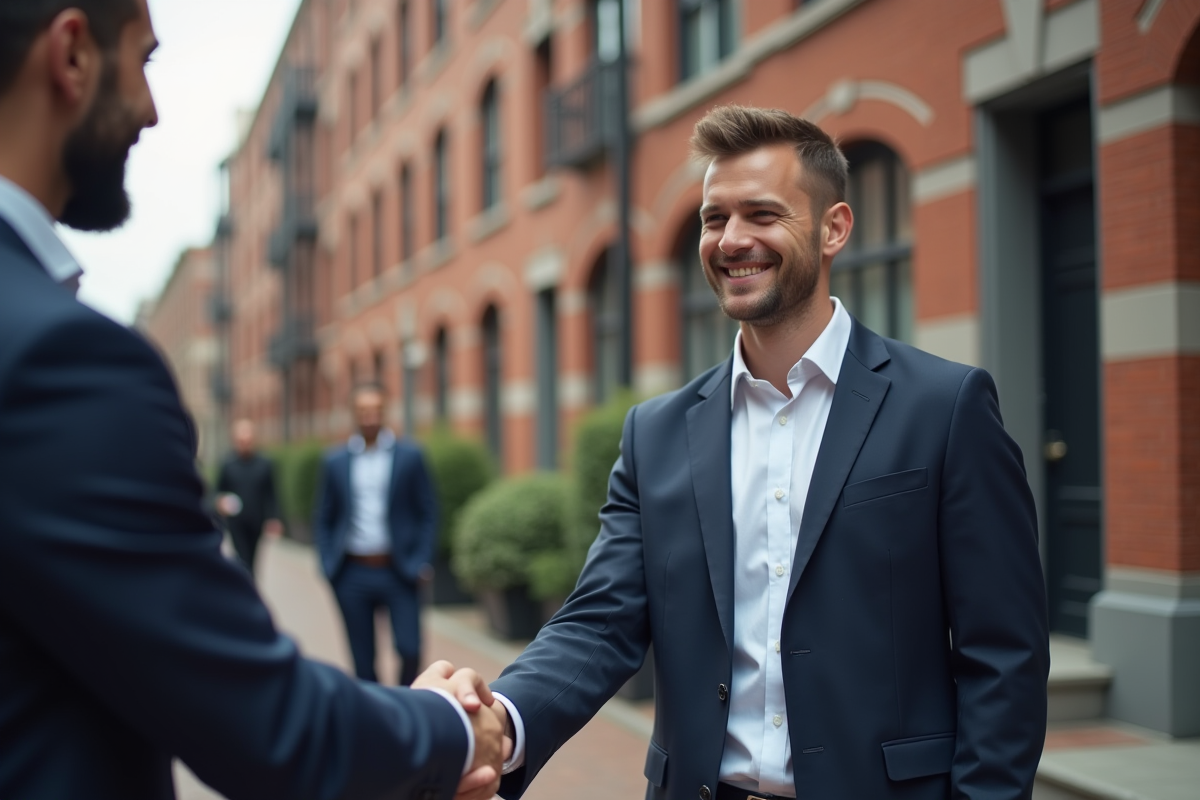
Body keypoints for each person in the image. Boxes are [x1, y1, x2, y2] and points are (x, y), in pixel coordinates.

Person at [0, 2, 503, 798]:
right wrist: (449, 727)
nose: (150, 111)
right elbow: (270, 728)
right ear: (72, 55)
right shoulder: (60, 357)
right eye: (143, 61)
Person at [485, 105, 1050, 800]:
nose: (731, 240)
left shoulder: (945, 408)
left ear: (833, 228)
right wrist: (498, 724)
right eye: (714, 218)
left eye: (761, 214)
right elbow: (599, 625)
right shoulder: (654, 434)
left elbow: (1004, 654)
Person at [315, 383, 437, 688]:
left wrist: (421, 560)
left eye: (376, 410)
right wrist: (328, 564)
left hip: (400, 570)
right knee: (363, 662)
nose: (369, 417)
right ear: (353, 414)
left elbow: (428, 511)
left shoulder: (411, 456)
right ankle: (376, 714)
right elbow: (324, 516)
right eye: (362, 411)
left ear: (385, 411)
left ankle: (404, 703)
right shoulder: (335, 460)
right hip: (352, 572)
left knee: (410, 649)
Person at [215, 418, 283, 577]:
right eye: (241, 441)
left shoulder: (265, 463)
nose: (245, 444)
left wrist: (274, 518)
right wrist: (221, 502)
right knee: (242, 557)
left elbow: (271, 493)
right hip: (236, 522)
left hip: (256, 520)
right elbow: (218, 491)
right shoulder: (228, 464)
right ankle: (246, 583)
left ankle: (249, 581)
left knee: (252, 558)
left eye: (248, 440)